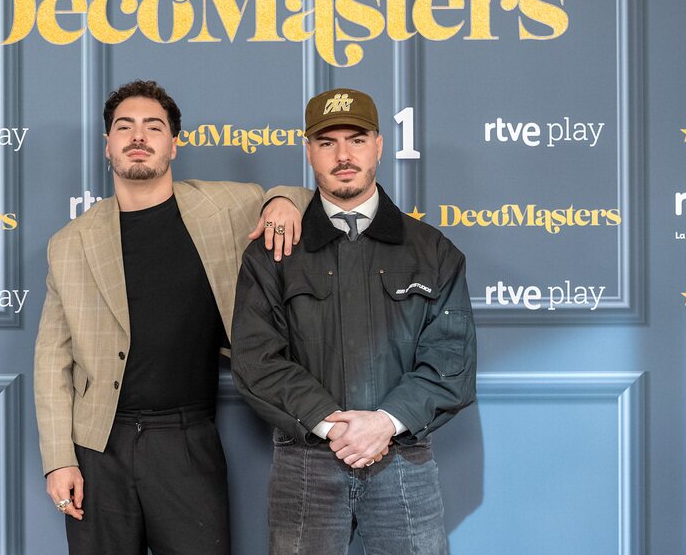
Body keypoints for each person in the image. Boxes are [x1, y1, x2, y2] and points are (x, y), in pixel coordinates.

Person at [34, 79, 309, 555]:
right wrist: (59, 459)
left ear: (174, 144)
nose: (138, 136)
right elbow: (51, 361)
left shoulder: (222, 207)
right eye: (125, 127)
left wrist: (282, 202)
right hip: (98, 447)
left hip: (188, 439)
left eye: (153, 127)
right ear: (108, 144)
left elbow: (299, 195)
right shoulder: (70, 243)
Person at [231, 88, 477, 554]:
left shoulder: (433, 251)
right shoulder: (273, 253)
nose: (343, 155)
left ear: (379, 146)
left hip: (402, 459)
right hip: (305, 463)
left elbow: (451, 359)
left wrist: (385, 423)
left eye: (357, 140)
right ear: (309, 151)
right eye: (327, 143)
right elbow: (256, 358)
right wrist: (333, 426)